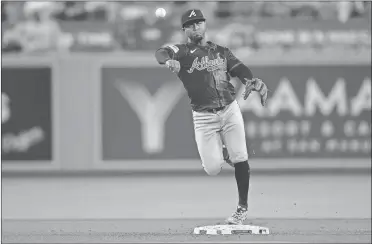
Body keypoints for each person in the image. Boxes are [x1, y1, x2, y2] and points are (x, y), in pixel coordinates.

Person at [154, 9, 268, 225]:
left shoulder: (221, 51)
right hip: (204, 117)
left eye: (199, 23)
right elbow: (161, 52)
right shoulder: (182, 51)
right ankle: (223, 153)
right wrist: (168, 61)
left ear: (205, 25)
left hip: (229, 109)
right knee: (213, 168)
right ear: (185, 30)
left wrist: (250, 79)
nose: (196, 27)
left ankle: (241, 209)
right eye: (191, 24)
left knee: (241, 157)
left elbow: (240, 68)